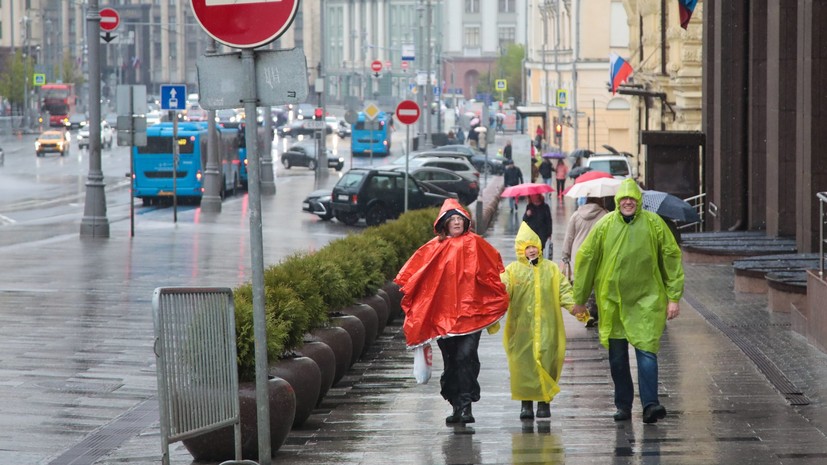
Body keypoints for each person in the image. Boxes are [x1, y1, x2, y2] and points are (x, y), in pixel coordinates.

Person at [571, 179, 684, 424]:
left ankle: (650, 405)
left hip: (647, 300)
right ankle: (623, 405)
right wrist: (579, 298)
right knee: (618, 358)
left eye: (632, 198)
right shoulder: (604, 225)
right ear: (617, 201)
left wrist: (673, 297)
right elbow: (586, 259)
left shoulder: (654, 224)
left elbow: (671, 256)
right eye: (624, 199)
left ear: (639, 200)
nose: (628, 202)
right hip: (613, 303)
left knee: (647, 352)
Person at [395, 199, 509, 426]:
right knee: (451, 360)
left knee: (466, 356)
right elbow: (418, 277)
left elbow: (493, 270)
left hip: (471, 315)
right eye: (452, 219)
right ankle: (456, 403)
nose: (457, 222)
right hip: (443, 319)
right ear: (444, 223)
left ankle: (466, 405)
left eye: (460, 219)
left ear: (466, 222)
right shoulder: (433, 248)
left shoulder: (476, 244)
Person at [501, 222, 575, 420]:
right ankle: (526, 404)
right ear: (520, 250)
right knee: (524, 366)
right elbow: (502, 291)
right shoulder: (512, 271)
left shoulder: (551, 269)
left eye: (534, 246)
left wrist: (576, 309)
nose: (532, 250)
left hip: (547, 327)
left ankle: (544, 402)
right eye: (527, 247)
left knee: (547, 361)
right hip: (522, 329)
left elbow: (564, 291)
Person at [561, 196, 609, 327]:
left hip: (579, 254)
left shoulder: (576, 215)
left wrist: (565, 255)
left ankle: (587, 310)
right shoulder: (605, 215)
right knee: (595, 283)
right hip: (597, 254)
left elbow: (569, 237)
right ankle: (594, 311)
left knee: (582, 282)